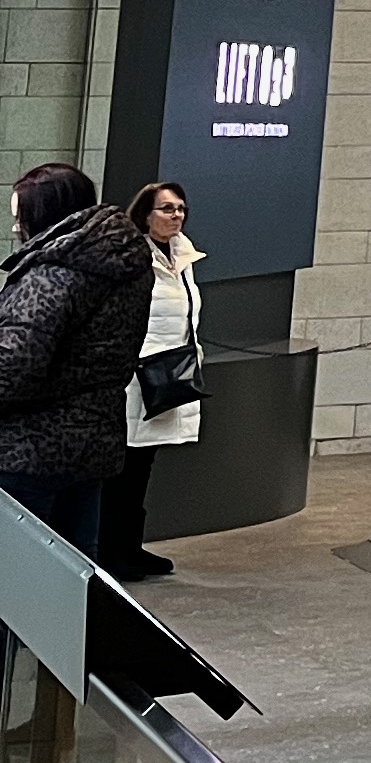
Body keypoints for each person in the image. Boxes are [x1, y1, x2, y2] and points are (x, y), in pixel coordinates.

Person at [0, 165, 162, 559]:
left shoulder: (53, 273)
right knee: (74, 570)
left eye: (22, 216)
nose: (18, 227)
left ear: (46, 215)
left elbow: (13, 369)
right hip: (94, 444)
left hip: (29, 451)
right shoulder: (124, 261)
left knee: (18, 573)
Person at [109, 181, 203, 584]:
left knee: (142, 466)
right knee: (126, 470)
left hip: (169, 373)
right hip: (137, 377)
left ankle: (131, 547)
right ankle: (114, 552)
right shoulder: (133, 257)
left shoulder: (183, 255)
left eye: (180, 208)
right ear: (145, 215)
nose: (176, 215)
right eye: (167, 208)